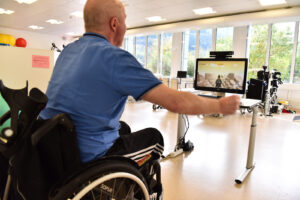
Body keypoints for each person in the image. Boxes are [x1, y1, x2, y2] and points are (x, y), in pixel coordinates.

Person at [40, 0, 240, 165]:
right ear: (114, 24)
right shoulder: (115, 58)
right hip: (86, 158)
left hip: (51, 148)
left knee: (123, 128)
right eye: (125, 21)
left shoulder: (67, 52)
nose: (126, 28)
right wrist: (220, 105)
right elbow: (177, 103)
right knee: (154, 139)